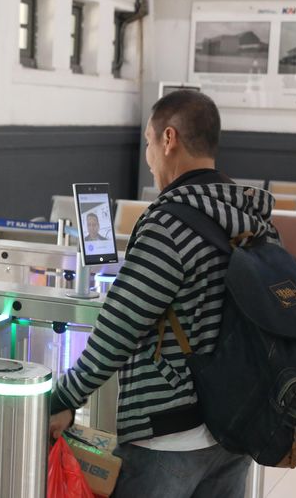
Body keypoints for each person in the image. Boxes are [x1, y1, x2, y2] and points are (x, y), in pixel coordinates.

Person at [49, 90, 279, 497]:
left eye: (149, 143)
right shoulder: (252, 220)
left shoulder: (168, 225)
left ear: (169, 139)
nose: (149, 157)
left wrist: (64, 396)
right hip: (237, 427)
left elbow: (120, 326)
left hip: (170, 434)